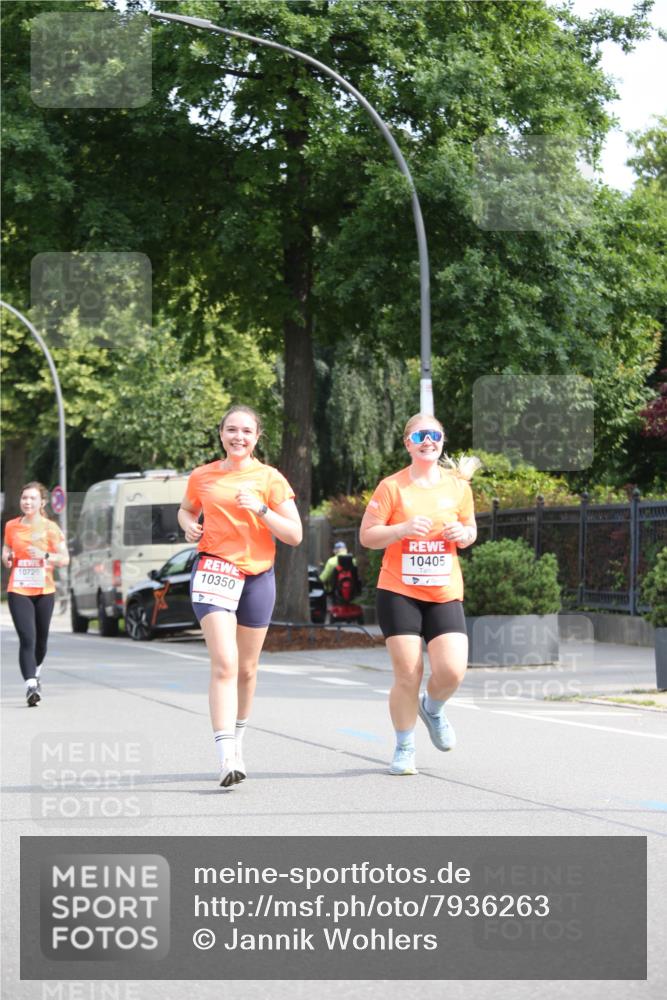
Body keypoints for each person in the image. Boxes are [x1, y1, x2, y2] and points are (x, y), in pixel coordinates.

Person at [177, 405, 302, 788]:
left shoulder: (270, 478)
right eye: (232, 430)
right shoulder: (203, 476)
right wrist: (189, 527)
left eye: (246, 431)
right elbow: (185, 511)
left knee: (247, 669)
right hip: (214, 570)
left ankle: (239, 741)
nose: (239, 437)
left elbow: (294, 535)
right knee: (225, 663)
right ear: (221, 434)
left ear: (257, 436)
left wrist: (262, 508)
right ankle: (225, 754)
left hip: (257, 576)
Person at [359, 414, 477, 775]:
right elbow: (367, 536)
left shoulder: (458, 487)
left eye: (436, 435)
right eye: (421, 435)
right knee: (408, 673)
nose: (429, 440)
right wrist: (402, 529)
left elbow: (471, 529)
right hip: (399, 590)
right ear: (408, 443)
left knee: (453, 671)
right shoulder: (392, 488)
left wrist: (463, 534)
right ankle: (405, 746)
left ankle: (434, 708)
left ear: (442, 442)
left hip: (443, 591)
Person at [2, 482, 69, 707]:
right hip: (19, 588)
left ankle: (36, 671)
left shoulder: (51, 528)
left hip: (44, 590)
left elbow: (64, 559)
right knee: (27, 638)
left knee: (41, 642)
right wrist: (7, 558)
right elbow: (6, 550)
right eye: (24, 498)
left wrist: (45, 555)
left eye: (32, 498)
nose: (27, 502)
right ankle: (31, 685)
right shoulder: (12, 526)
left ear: (42, 502)